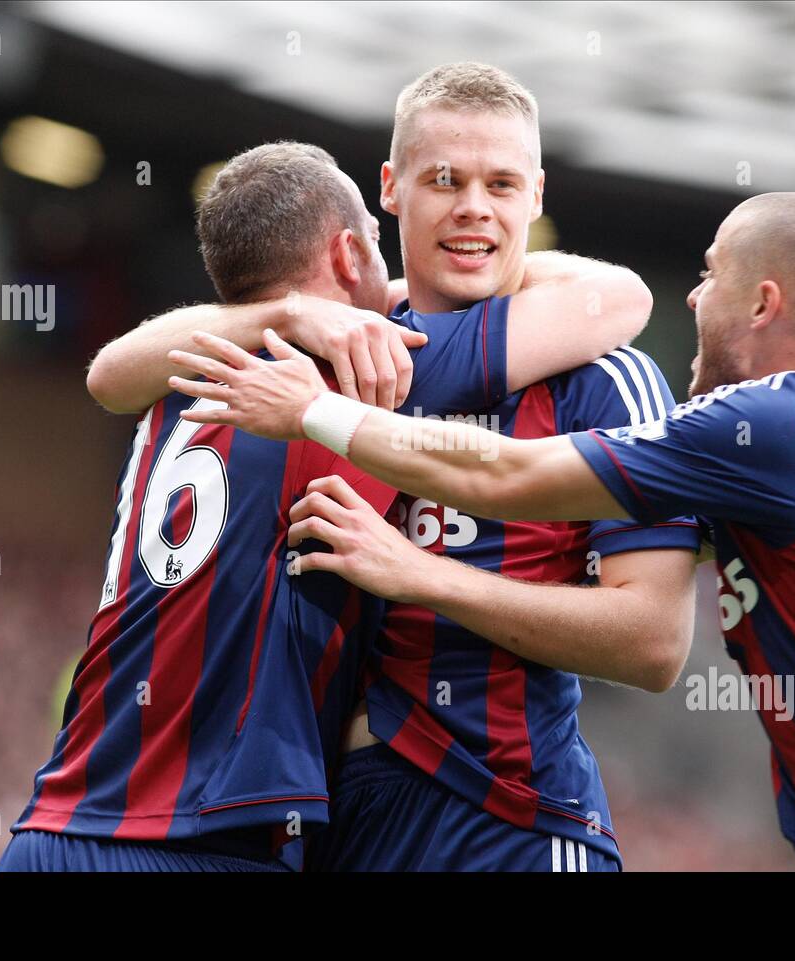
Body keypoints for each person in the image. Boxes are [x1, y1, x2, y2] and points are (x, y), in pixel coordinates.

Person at [174, 191, 795, 871]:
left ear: (763, 303)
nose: (690, 299)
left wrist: (318, 414)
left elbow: (510, 473)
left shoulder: (774, 424)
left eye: (708, 274)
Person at [95, 63, 699, 871]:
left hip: (508, 818)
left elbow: (654, 643)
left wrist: (422, 574)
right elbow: (113, 375)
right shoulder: (342, 348)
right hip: (333, 822)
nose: (474, 207)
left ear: (538, 196)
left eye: (502, 183)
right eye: (445, 179)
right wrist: (281, 311)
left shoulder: (601, 376)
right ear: (390, 187)